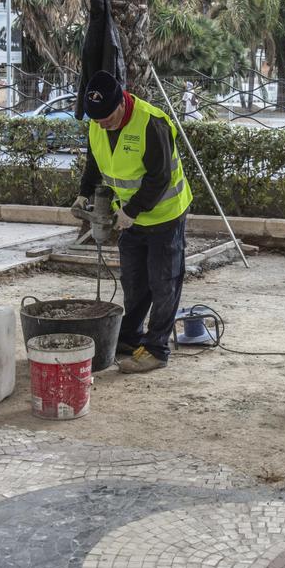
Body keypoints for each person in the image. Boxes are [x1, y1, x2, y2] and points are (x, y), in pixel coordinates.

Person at [75, 71, 192, 374]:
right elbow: (95, 162)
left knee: (163, 282)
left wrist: (132, 210)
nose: (102, 124)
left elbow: (160, 177)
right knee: (134, 282)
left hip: (165, 216)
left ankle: (156, 349)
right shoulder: (98, 123)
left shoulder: (151, 123)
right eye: (96, 120)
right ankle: (130, 337)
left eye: (107, 118)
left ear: (122, 102)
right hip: (132, 219)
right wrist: (83, 194)